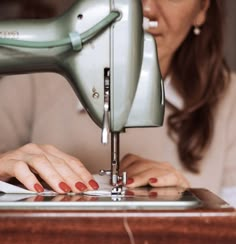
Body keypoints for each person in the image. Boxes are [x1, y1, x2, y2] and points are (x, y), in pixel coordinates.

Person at [0, 0, 235, 198]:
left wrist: (193, 204)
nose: (147, 9)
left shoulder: (231, 101)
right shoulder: (30, 84)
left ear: (202, 9)